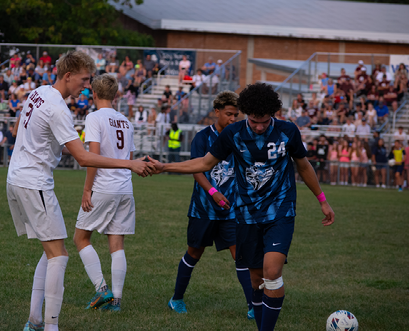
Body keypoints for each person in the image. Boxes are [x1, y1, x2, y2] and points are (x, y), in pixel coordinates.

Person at [148, 83, 335, 331]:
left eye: (265, 121)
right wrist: (165, 166)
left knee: (271, 272)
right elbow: (204, 163)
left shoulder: (287, 132)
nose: (259, 126)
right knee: (256, 279)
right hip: (245, 215)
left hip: (280, 211)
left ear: (274, 115)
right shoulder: (233, 134)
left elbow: (303, 166)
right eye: (255, 120)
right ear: (246, 113)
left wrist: (322, 200)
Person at [6, 51, 153, 331]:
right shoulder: (58, 107)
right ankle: (49, 326)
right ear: (68, 75)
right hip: (34, 182)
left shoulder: (38, 91)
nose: (87, 86)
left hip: (18, 177)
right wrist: (129, 164)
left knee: (50, 251)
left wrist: (48, 145)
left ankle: (35, 321)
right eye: (84, 80)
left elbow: (19, 129)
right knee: (59, 255)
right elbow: (84, 158)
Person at [168, 91, 254, 319]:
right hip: (203, 209)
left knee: (241, 256)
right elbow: (197, 168)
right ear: (216, 112)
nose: (233, 119)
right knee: (194, 253)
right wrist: (214, 192)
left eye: (236, 115)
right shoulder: (202, 137)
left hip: (231, 210)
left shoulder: (239, 137)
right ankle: (176, 299)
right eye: (228, 114)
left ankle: (253, 306)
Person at [73, 73, 137, 312]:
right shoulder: (126, 121)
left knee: (80, 238)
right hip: (125, 188)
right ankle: (116, 302)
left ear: (94, 94)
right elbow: (129, 159)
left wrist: (87, 189)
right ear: (116, 95)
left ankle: (102, 290)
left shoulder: (94, 117)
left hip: (104, 186)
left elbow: (93, 158)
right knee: (117, 244)